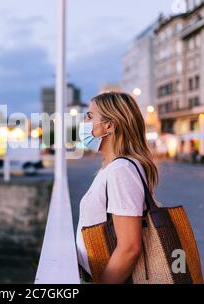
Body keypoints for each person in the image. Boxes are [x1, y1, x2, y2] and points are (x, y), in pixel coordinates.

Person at [76, 92, 160, 284]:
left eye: (89, 116)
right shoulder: (116, 167)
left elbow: (130, 247)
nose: (84, 122)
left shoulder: (121, 170)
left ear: (109, 125)